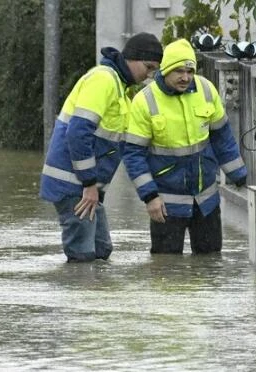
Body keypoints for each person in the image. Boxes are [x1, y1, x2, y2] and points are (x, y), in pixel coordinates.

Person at [40, 33, 163, 262]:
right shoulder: (103, 80)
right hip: (75, 186)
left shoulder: (120, 89)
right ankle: (81, 293)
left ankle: (94, 293)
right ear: (132, 58)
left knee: (101, 251)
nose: (149, 75)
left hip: (86, 188)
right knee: (83, 257)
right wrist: (89, 184)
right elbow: (77, 132)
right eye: (148, 67)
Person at [123, 38, 247, 255]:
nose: (185, 77)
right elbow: (133, 155)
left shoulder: (206, 90)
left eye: (189, 71)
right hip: (165, 205)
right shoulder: (145, 100)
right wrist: (150, 197)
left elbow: (222, 137)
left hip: (206, 200)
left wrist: (239, 175)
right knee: (167, 271)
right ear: (166, 70)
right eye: (179, 71)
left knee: (210, 265)